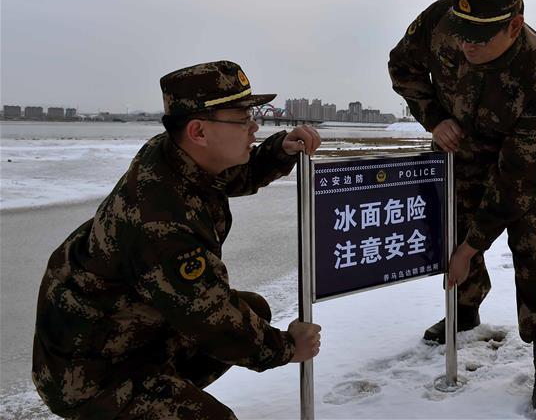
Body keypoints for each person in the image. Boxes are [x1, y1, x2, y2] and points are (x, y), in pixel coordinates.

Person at [32, 60, 323, 419]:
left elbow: (233, 175)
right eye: (242, 118)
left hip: (130, 330)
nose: (255, 126)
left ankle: (159, 394)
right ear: (199, 132)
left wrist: (280, 150)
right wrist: (287, 348)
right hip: (89, 372)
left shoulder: (178, 154)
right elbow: (212, 318)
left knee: (255, 312)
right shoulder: (160, 221)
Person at [388, 0, 536, 411]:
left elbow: (517, 180)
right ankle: (466, 309)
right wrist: (435, 119)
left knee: (531, 240)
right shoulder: (442, 20)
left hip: (516, 163)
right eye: (462, 32)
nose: (466, 43)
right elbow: (402, 67)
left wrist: (472, 248)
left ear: (514, 25)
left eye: (479, 37)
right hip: (456, 151)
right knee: (449, 225)